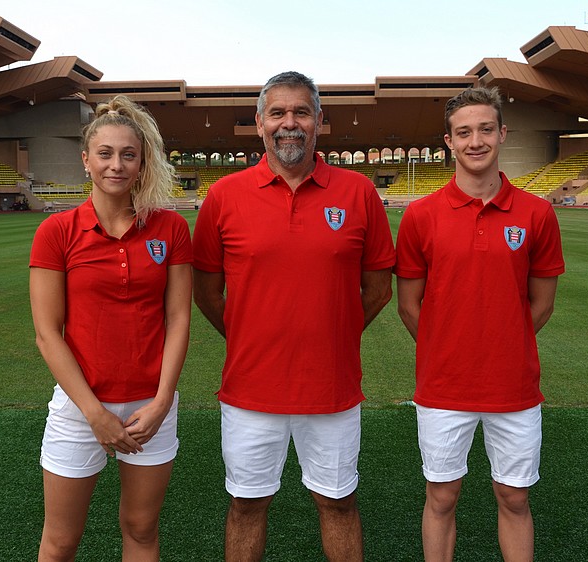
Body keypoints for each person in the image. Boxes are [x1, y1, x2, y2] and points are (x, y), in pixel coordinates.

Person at [191, 71, 396, 562]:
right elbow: (206, 292)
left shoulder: (358, 193)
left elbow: (378, 289)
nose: (290, 124)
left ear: (320, 122)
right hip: (250, 389)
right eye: (278, 113)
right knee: (246, 503)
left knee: (338, 502)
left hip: (331, 386)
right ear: (260, 123)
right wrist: (248, 336)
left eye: (301, 112)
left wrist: (333, 333)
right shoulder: (224, 196)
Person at [395, 87, 565, 562]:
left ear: (502, 134)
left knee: (514, 497)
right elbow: (409, 306)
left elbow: (542, 305)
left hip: (513, 387)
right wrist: (448, 347)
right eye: (464, 132)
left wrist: (501, 346)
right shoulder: (420, 215)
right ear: (448, 141)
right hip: (443, 386)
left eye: (485, 129)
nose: (476, 141)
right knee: (442, 497)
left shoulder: (537, 213)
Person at [29, 95, 192, 561]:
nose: (116, 165)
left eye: (128, 155)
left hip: (151, 408)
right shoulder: (57, 231)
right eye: (105, 153)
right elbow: (47, 332)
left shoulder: (171, 229)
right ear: (86, 160)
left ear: (141, 164)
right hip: (81, 406)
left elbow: (179, 317)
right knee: (61, 540)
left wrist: (162, 401)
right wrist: (95, 414)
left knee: (141, 530)